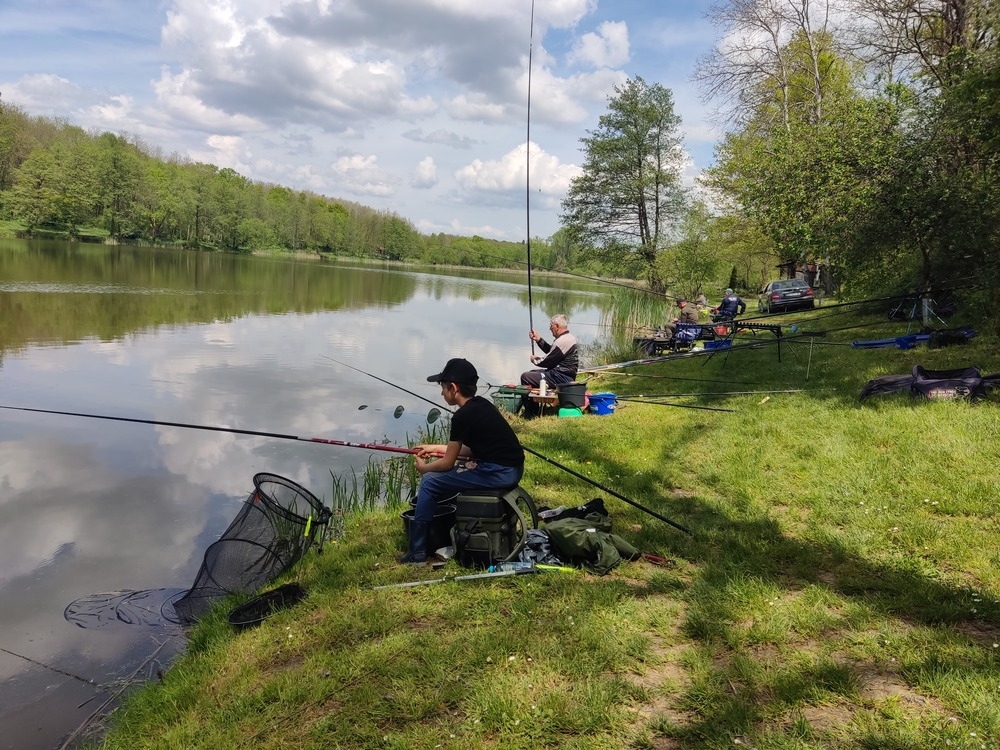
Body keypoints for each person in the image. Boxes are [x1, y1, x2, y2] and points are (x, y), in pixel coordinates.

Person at [401, 357, 525, 564]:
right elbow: (471, 450)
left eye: (443, 388)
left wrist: (425, 469)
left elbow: (447, 463)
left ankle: (417, 552)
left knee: (430, 482)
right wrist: (436, 448)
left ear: (453, 388)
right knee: (456, 468)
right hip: (512, 468)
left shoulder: (462, 416)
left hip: (499, 473)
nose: (442, 393)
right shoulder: (482, 405)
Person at [520, 314, 579, 388]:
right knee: (532, 373)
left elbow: (548, 361)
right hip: (562, 375)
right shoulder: (569, 337)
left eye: (551, 325)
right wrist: (538, 339)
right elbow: (552, 353)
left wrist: (535, 359)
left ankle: (535, 395)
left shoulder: (563, 340)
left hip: (561, 377)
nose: (550, 328)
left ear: (557, 326)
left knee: (525, 377)